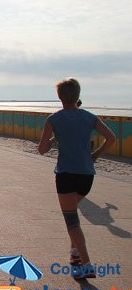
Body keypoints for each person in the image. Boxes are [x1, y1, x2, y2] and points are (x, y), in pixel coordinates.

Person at [38, 78, 115, 279]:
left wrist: (56, 137)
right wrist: (95, 156)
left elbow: (42, 150)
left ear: (60, 97)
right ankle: (74, 253)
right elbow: (111, 138)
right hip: (86, 177)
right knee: (73, 215)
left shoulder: (53, 120)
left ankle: (86, 265)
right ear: (78, 96)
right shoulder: (90, 117)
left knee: (71, 221)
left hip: (66, 176)